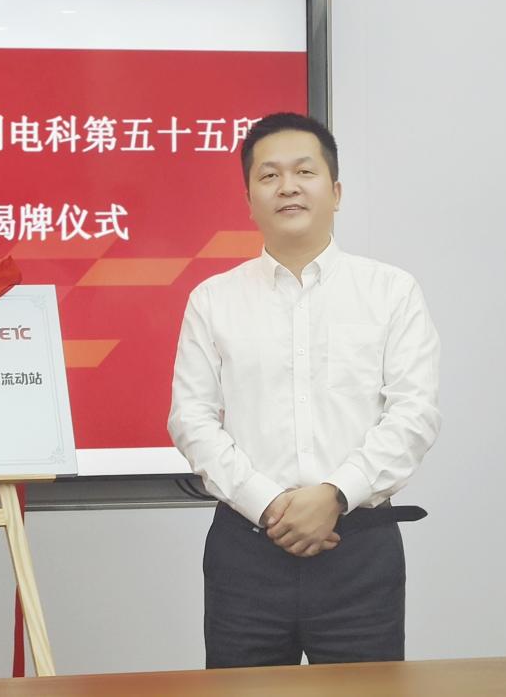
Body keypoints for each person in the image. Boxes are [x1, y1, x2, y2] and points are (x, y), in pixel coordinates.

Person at [167, 112, 441, 668]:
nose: (287, 186)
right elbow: (191, 419)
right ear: (249, 199)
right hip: (246, 552)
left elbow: (413, 415)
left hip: (359, 550)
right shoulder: (213, 299)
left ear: (335, 192)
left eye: (304, 172)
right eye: (269, 176)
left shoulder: (391, 291)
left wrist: (335, 494)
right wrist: (269, 504)